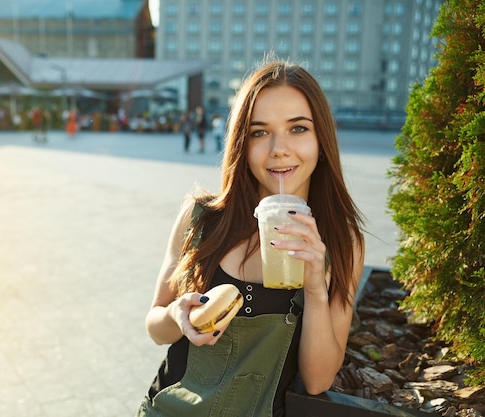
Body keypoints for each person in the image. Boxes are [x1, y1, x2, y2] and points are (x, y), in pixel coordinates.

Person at [136, 59, 366, 417]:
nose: (279, 148)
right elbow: (155, 328)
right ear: (242, 144)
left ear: (321, 139)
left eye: (298, 129)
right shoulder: (200, 219)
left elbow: (318, 379)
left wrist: (317, 290)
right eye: (259, 132)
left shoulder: (340, 242)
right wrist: (177, 316)